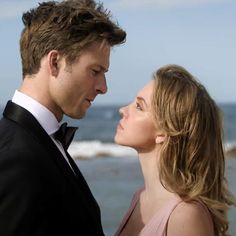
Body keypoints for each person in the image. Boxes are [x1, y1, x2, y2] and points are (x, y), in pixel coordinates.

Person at [0, 0, 126, 235]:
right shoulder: (14, 159)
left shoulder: (38, 141)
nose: (103, 87)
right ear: (55, 62)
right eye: (95, 71)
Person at [114, 64, 235, 236]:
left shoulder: (185, 216)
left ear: (164, 131)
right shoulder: (139, 198)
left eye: (139, 106)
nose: (123, 110)